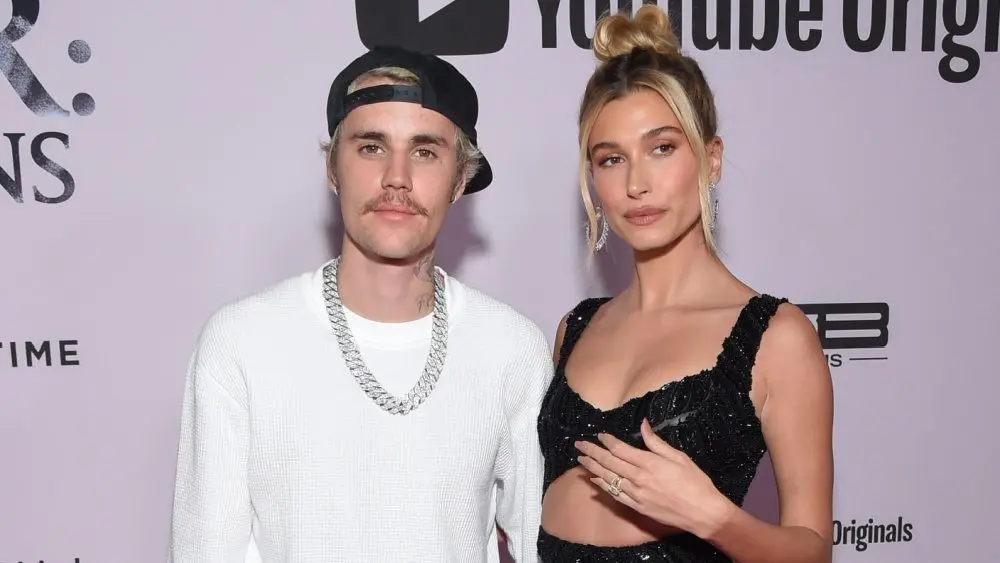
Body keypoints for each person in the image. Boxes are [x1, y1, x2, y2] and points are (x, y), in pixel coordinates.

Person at [167, 45, 553, 563]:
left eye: (425, 151)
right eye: (371, 147)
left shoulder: (511, 349)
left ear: (460, 179)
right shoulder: (241, 343)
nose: (397, 177)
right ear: (333, 169)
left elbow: (540, 545)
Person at [536, 6, 834, 563]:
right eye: (610, 159)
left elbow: (812, 553)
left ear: (711, 158)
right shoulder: (575, 329)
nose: (636, 183)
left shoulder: (775, 336)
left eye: (662, 148)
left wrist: (711, 515)